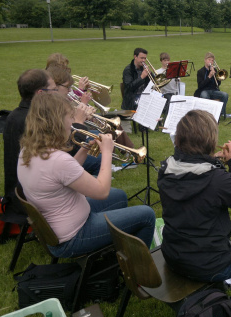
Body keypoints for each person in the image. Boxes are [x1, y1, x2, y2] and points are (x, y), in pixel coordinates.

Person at [157, 110, 231, 314]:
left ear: (178, 139)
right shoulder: (216, 180)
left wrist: (210, 160)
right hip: (206, 263)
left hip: (173, 254)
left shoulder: (166, 168)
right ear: (211, 140)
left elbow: (194, 171)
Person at [17, 92, 155, 257]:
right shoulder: (58, 160)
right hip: (74, 236)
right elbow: (102, 191)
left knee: (120, 196)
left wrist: (83, 150)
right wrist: (107, 153)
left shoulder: (28, 150)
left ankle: (117, 248)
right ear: (57, 122)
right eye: (70, 117)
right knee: (147, 215)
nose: (72, 123)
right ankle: (137, 271)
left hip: (64, 220)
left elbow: (64, 175)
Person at [3, 69, 57, 214]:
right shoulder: (34, 121)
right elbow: (60, 158)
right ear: (40, 93)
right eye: (53, 90)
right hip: (30, 199)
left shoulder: (15, 115)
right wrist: (78, 124)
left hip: (18, 193)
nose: (56, 93)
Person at [194, 52, 228, 118]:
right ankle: (208, 115)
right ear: (205, 60)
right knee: (204, 95)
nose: (211, 62)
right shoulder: (200, 71)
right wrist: (209, 76)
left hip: (213, 90)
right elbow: (200, 86)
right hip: (204, 90)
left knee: (225, 95)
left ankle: (219, 113)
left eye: (212, 60)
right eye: (209, 60)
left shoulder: (214, 70)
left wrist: (217, 77)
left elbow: (218, 84)